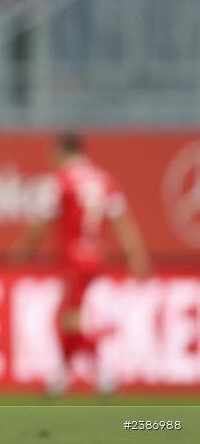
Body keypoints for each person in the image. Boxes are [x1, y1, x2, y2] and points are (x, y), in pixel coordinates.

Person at [13, 132, 151, 396]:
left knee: (69, 320)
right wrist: (137, 256)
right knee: (70, 316)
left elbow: (42, 221)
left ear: (64, 151)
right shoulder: (104, 180)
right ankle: (62, 375)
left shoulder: (61, 182)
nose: (51, 158)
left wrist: (24, 249)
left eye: (54, 153)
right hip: (97, 257)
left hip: (73, 259)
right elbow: (123, 222)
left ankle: (101, 372)